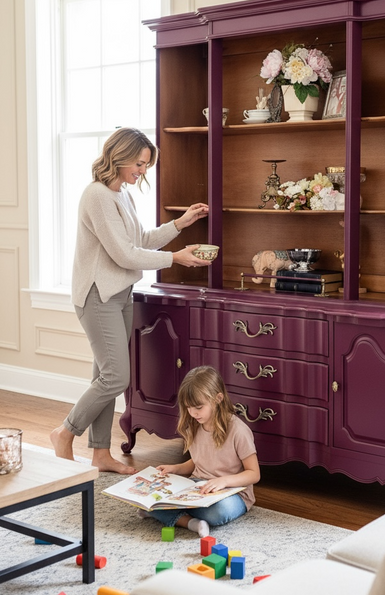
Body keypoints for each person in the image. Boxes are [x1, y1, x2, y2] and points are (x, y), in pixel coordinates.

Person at [51, 127, 211, 474]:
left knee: (104, 375)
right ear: (120, 156)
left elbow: (140, 240)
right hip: (98, 295)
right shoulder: (96, 196)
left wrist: (180, 223)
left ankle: (100, 454)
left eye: (146, 165)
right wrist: (176, 258)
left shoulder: (121, 194)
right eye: (139, 163)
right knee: (115, 377)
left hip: (120, 294)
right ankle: (64, 432)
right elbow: (125, 254)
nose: (142, 171)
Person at [146, 365, 260, 537]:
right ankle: (192, 523)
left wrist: (223, 481)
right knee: (149, 495)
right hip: (198, 487)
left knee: (218, 512)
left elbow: (254, 474)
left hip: (233, 493)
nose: (192, 413)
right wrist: (175, 468)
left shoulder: (238, 430)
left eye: (198, 407)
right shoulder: (195, 425)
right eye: (188, 407)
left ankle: (166, 514)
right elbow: (199, 460)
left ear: (218, 398)